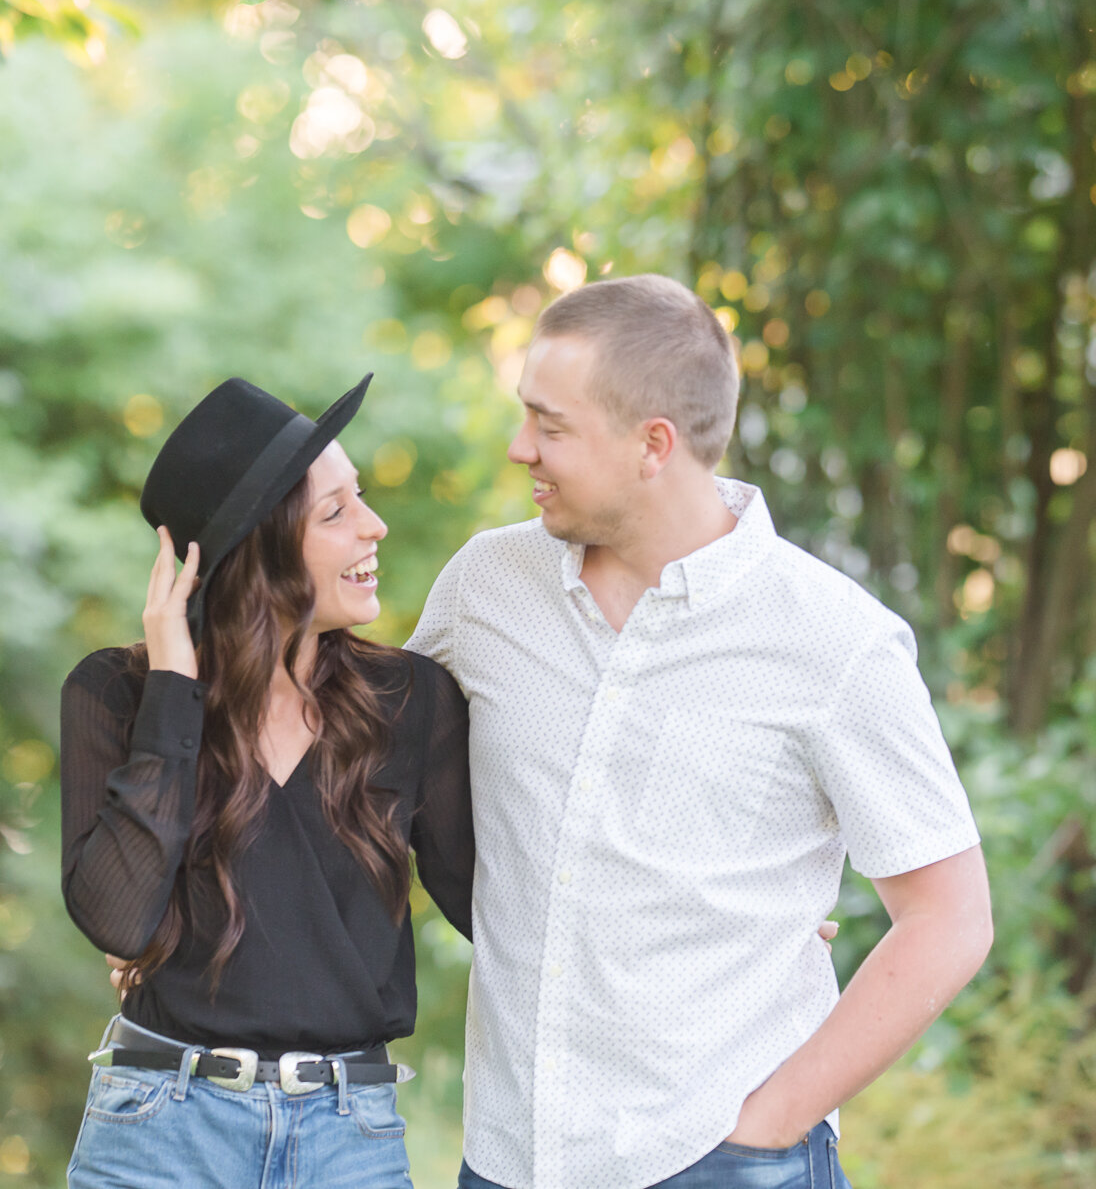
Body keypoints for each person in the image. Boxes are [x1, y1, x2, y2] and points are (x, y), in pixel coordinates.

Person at [409, 275, 995, 1189]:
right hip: (507, 1159)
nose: (521, 447)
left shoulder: (833, 640)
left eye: (551, 426)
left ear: (654, 444)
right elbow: (344, 763)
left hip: (717, 1160)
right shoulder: (487, 586)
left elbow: (951, 916)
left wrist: (770, 1124)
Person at [59, 374, 474, 1189]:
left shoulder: (411, 703)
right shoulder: (117, 694)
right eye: (337, 511)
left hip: (347, 1138)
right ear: (262, 547)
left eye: (362, 498)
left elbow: (502, 907)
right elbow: (116, 915)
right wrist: (174, 697)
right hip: (159, 1130)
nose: (374, 525)